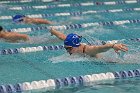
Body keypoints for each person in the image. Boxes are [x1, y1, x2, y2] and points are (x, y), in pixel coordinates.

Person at [49, 28, 128, 58]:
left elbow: (100, 48)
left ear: (76, 46)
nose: (67, 51)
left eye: (69, 48)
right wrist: (53, 31)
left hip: (107, 62)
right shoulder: (70, 43)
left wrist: (113, 45)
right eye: (65, 48)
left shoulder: (88, 50)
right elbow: (61, 36)